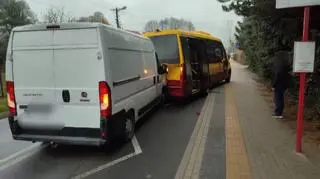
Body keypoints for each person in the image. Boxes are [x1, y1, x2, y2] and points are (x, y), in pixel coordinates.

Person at [272, 51, 292, 119]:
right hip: (284, 84)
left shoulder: (279, 66)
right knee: (281, 98)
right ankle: (280, 112)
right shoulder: (286, 65)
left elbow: (277, 76)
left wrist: (273, 85)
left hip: (278, 85)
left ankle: (278, 113)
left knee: (278, 98)